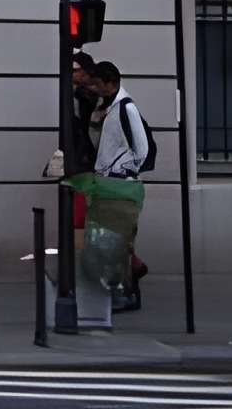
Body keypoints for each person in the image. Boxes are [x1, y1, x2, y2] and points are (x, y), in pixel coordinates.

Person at [94, 62, 150, 311]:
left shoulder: (126, 108)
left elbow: (142, 147)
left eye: (99, 84)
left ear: (111, 83)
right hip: (112, 181)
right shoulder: (112, 107)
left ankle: (127, 293)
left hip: (120, 182)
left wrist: (123, 166)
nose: (96, 88)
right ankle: (129, 283)